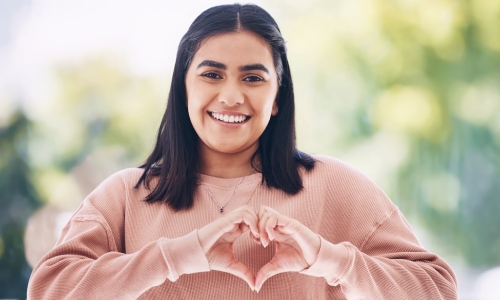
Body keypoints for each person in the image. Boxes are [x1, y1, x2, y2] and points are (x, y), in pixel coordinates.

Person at [27, 3, 457, 299]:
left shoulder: (336, 186)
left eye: (253, 78)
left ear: (277, 96)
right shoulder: (124, 195)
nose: (231, 96)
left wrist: (331, 261)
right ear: (184, 87)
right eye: (212, 74)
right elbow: (49, 290)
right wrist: (176, 256)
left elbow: (437, 289)